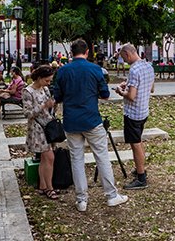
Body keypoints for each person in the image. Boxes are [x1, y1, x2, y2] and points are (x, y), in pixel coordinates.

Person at [54, 39, 128, 210]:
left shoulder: (63, 71)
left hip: (71, 121)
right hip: (91, 119)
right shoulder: (95, 69)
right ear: (87, 52)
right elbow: (105, 95)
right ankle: (111, 195)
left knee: (77, 159)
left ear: (71, 53)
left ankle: (81, 200)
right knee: (101, 156)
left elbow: (57, 96)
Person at [114, 44, 155, 190]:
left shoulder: (134, 69)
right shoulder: (148, 66)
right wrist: (129, 84)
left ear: (127, 54)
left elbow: (131, 96)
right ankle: (140, 168)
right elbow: (151, 88)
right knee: (138, 141)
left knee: (135, 143)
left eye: (123, 57)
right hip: (143, 111)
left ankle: (141, 177)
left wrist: (120, 90)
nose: (124, 61)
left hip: (133, 113)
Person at [22, 65, 58, 199]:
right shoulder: (28, 91)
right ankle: (50, 187)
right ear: (39, 78)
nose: (48, 83)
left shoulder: (45, 89)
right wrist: (43, 106)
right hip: (37, 128)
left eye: (50, 81)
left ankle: (43, 185)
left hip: (47, 126)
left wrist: (52, 105)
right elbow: (27, 113)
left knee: (44, 158)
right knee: (49, 157)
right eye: (46, 80)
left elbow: (51, 107)